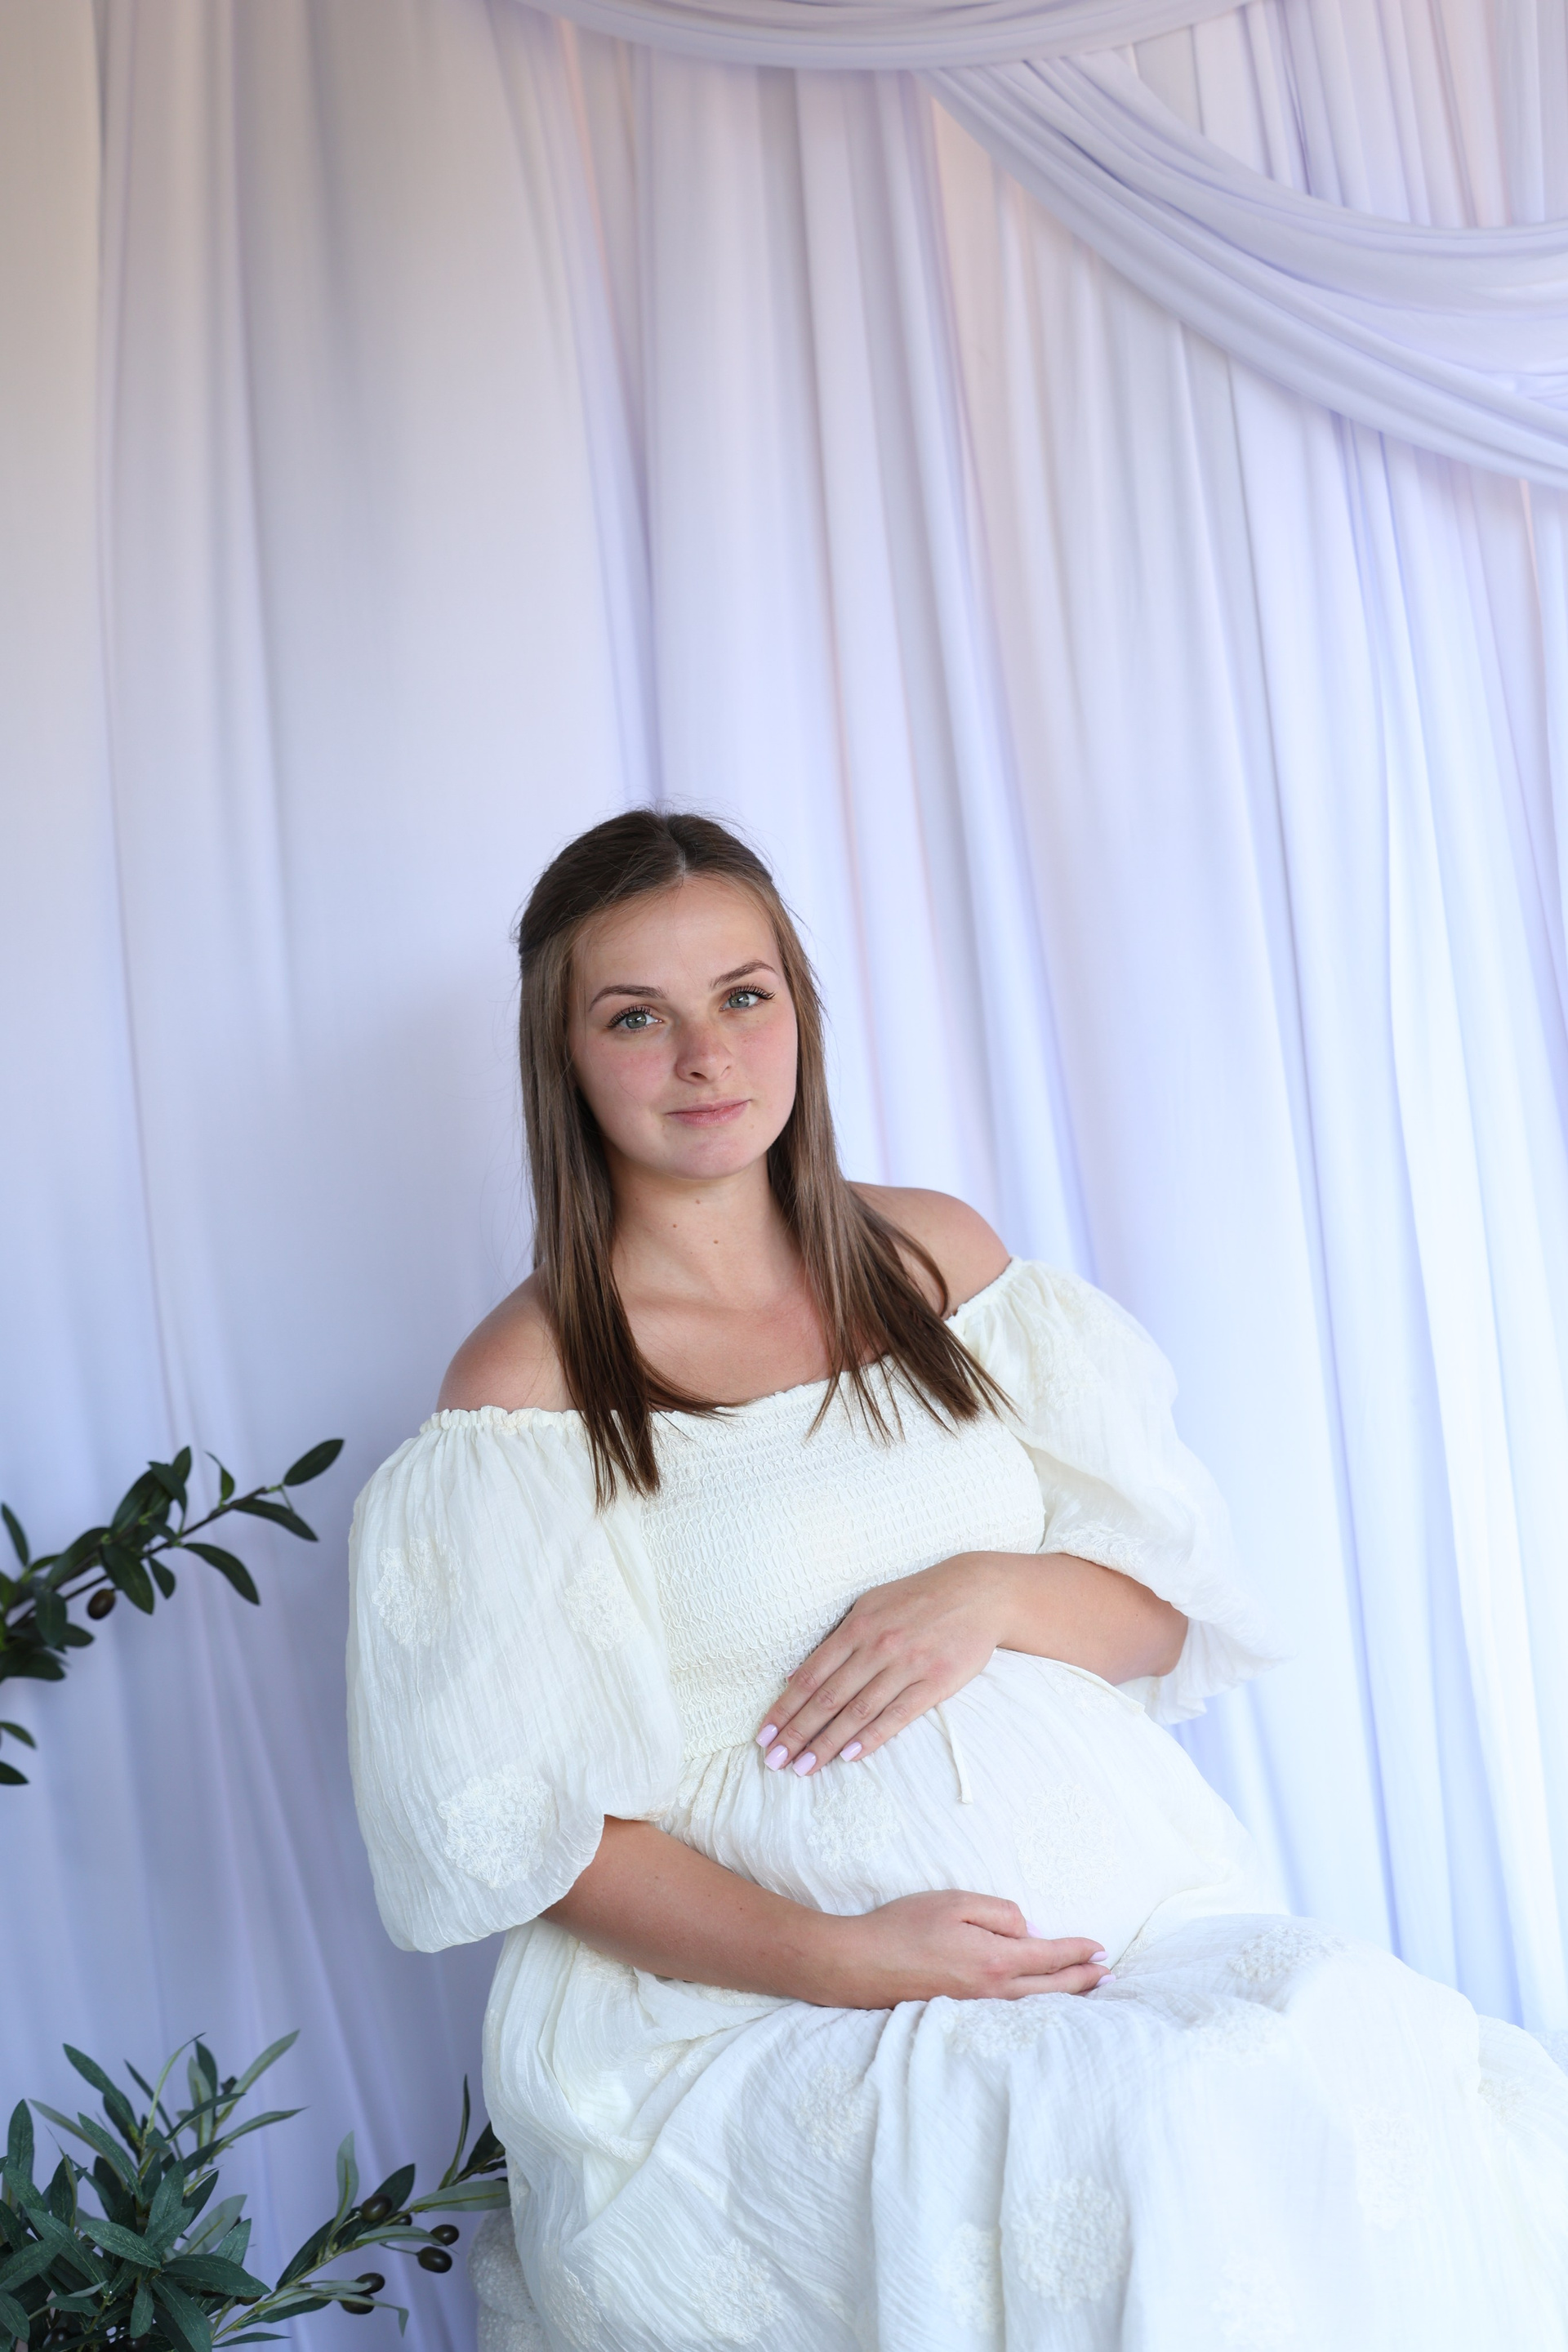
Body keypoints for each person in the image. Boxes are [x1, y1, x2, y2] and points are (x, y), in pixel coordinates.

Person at [347, 810, 1568, 2351]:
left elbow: (1158, 1614)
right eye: (636, 1017)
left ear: (800, 1010)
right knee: (1164, 2133)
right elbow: (532, 1837)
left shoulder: (937, 1262)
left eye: (743, 997)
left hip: (1135, 1921)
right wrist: (846, 1959)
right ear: (564, 1055)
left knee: (1378, 2061)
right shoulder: (526, 1391)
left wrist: (988, 1590)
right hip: (759, 2003)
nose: (707, 1058)